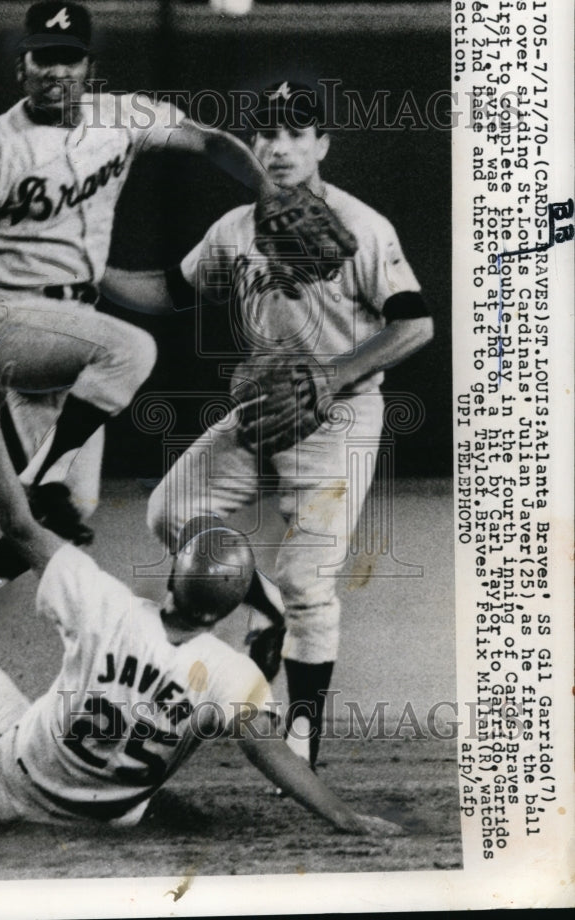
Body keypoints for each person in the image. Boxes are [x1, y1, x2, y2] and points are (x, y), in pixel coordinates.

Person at [0, 338, 400, 836]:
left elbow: (17, 523)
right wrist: (342, 814)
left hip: (16, 787)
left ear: (174, 574)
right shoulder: (229, 673)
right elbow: (271, 753)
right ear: (230, 610)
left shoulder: (104, 604)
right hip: (113, 819)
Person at [0, 0, 279, 610]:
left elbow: (209, 142)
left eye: (68, 60)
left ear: (87, 67)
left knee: (70, 515)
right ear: (22, 67)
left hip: (66, 337)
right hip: (4, 321)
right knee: (133, 348)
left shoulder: (120, 118)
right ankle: (45, 478)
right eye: (43, 58)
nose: (56, 72)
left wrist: (268, 192)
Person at [101, 81, 434, 769]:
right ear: (252, 146)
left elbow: (416, 325)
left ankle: (302, 733)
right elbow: (168, 288)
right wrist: (92, 273)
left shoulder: (361, 225)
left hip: (339, 415)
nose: (278, 147)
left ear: (320, 145)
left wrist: (332, 374)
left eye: (294, 133)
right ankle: (267, 609)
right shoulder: (233, 228)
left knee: (310, 575)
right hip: (266, 407)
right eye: (266, 134)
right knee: (172, 511)